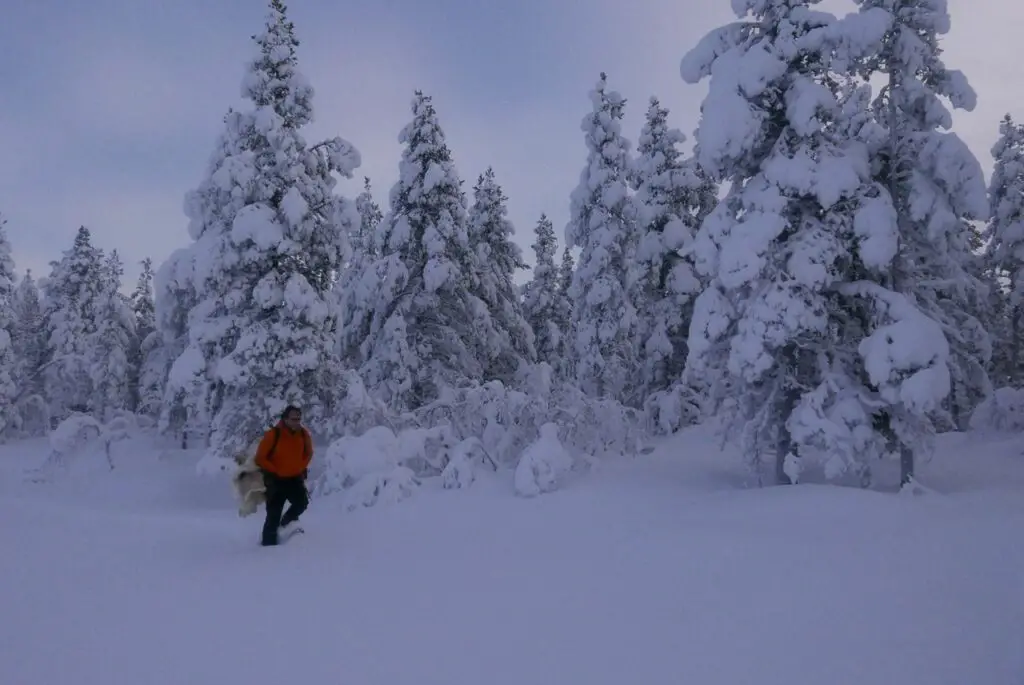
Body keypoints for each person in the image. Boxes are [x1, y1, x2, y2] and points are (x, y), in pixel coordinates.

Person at [254, 405, 313, 546]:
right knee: (273, 515)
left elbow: (309, 453)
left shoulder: (304, 434)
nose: (296, 422)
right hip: (276, 481)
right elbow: (260, 458)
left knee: (301, 504)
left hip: (294, 479)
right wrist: (275, 470)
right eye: (293, 419)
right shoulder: (274, 434)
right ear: (285, 419)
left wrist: (300, 467)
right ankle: (267, 547)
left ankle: (285, 523)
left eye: (298, 419)